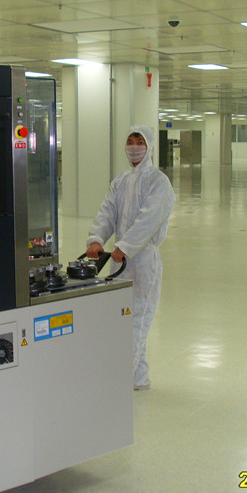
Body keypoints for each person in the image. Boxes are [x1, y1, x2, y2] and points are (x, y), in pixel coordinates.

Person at [86, 125, 175, 391]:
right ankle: (139, 377)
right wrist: (96, 239)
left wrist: (125, 246)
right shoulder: (121, 181)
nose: (134, 147)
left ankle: (121, 380)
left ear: (149, 147)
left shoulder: (159, 182)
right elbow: (107, 212)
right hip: (119, 260)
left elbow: (149, 220)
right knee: (122, 320)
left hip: (143, 261)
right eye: (130, 141)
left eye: (140, 142)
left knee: (137, 320)